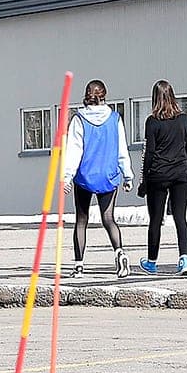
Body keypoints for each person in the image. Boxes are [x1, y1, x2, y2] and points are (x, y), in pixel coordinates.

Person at [61, 80, 132, 276]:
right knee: (108, 218)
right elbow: (121, 149)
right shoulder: (115, 118)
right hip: (108, 175)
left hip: (85, 176)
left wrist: (67, 176)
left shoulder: (79, 119)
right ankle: (120, 252)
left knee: (81, 220)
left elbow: (74, 151)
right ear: (104, 95)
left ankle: (78, 265)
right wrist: (127, 175)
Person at [138, 80, 187, 277]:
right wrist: (183, 168)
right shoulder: (185, 120)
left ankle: (152, 262)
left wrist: (145, 181)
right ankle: (184, 259)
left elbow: (150, 153)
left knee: (156, 219)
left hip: (158, 174)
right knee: (181, 217)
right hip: (181, 174)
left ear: (155, 98)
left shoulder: (152, 122)